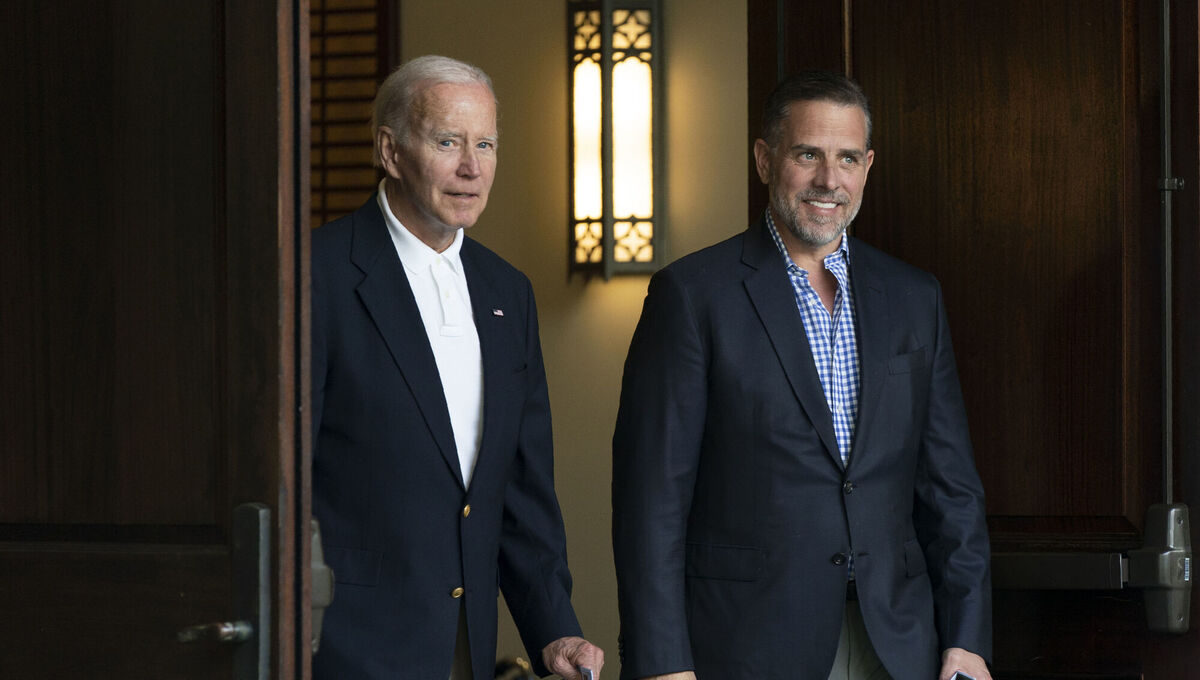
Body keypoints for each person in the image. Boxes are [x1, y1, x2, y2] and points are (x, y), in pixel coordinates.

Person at [611, 70, 992, 680]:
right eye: (807, 154)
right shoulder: (691, 296)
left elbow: (951, 488)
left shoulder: (914, 297)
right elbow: (650, 500)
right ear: (765, 160)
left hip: (894, 643)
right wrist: (662, 663)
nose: (828, 180)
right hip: (745, 646)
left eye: (846, 158)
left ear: (868, 166)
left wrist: (967, 639)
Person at [312, 55, 604, 680]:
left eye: (486, 144)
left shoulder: (508, 291)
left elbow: (522, 491)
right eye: (448, 142)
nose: (472, 167)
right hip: (342, 648)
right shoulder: (317, 275)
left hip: (465, 649)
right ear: (390, 151)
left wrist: (554, 630)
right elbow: (280, 487)